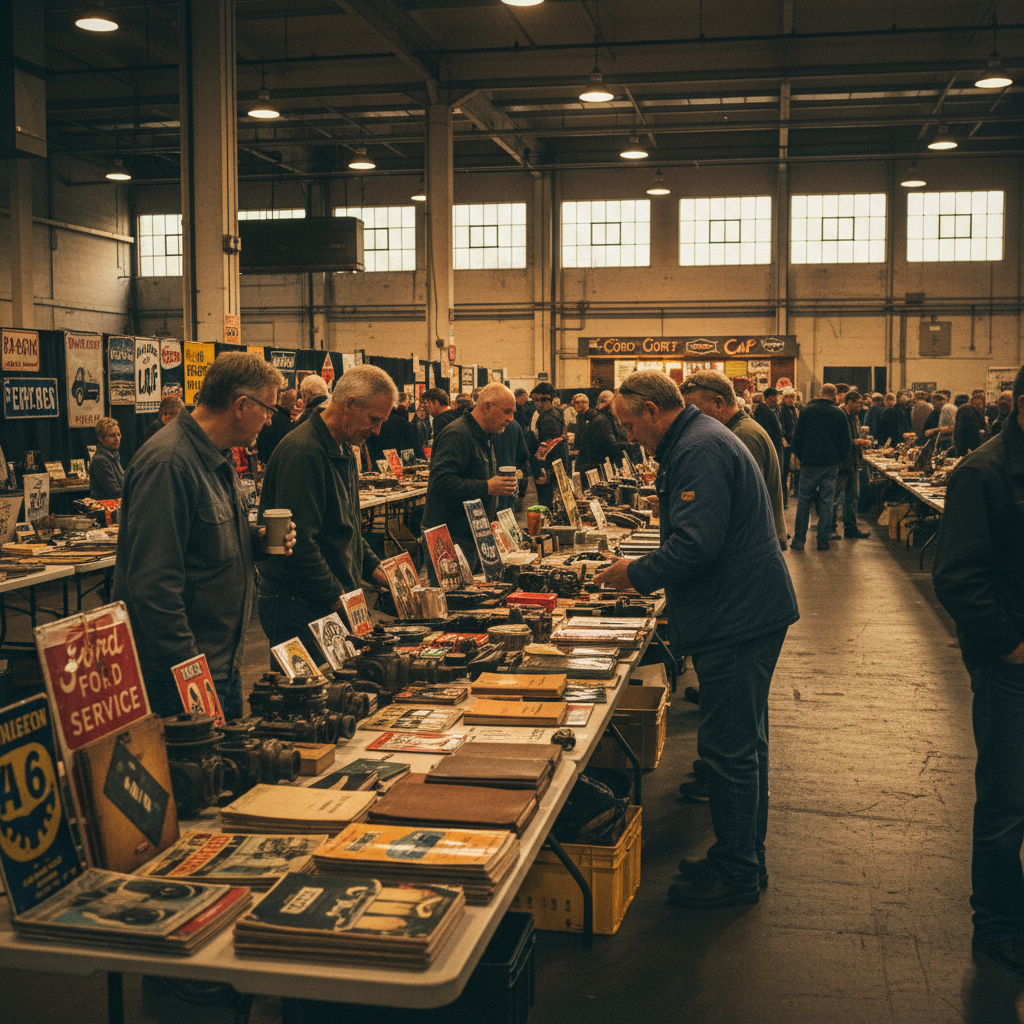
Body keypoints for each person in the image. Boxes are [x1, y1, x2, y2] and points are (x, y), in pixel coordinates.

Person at [593, 369, 798, 908]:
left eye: (628, 424)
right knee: (745, 746)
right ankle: (743, 856)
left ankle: (736, 873)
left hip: (738, 616)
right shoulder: (699, 439)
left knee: (730, 751)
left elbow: (696, 547)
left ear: (652, 412)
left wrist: (631, 574)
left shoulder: (698, 449)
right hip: (743, 609)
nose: (627, 436)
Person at [112, 352, 291, 718]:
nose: (270, 421)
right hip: (182, 679)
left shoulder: (217, 456)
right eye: (268, 410)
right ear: (241, 405)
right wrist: (190, 673)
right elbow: (153, 586)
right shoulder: (169, 464)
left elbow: (203, 544)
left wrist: (257, 543)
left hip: (221, 665)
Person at [932, 363, 1024, 976]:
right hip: (1010, 671)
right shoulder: (985, 472)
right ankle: (998, 923)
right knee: (1007, 802)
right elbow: (958, 575)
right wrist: (1012, 648)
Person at [257, 365, 395, 650]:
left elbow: (349, 526)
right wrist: (338, 597)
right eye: (373, 419)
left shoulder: (342, 447)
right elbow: (300, 545)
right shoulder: (304, 453)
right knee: (307, 693)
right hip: (301, 604)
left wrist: (373, 568)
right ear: (350, 404)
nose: (377, 430)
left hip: (325, 598)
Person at [679, 370, 787, 550]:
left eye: (696, 412)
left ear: (718, 403)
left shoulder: (742, 436)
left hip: (755, 548)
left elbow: (744, 503)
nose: (692, 421)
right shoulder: (737, 432)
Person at [420, 383, 517, 573]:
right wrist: (486, 487)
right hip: (451, 538)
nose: (510, 419)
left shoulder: (485, 435)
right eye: (507, 412)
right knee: (453, 601)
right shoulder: (457, 434)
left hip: (473, 535)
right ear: (487, 406)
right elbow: (440, 482)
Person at [789, 383, 851, 551]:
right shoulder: (839, 413)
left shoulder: (807, 412)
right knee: (827, 503)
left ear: (820, 393)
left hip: (809, 464)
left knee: (803, 503)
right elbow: (846, 442)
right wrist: (837, 459)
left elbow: (796, 439)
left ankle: (799, 540)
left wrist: (804, 458)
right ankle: (822, 541)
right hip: (830, 465)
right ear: (835, 396)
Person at [831, 391, 872, 538]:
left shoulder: (855, 417)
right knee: (835, 498)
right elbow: (838, 440)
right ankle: (831, 529)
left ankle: (850, 528)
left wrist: (861, 442)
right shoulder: (839, 415)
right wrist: (858, 442)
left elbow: (856, 435)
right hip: (841, 464)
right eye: (858, 404)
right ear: (849, 402)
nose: (860, 407)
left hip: (854, 463)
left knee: (853, 496)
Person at [528, 382, 568, 511]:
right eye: (535, 400)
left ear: (550, 399)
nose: (538, 404)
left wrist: (542, 472)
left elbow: (550, 449)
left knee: (547, 507)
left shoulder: (549, 419)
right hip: (553, 471)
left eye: (542, 400)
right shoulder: (552, 414)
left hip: (548, 473)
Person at [577, 390, 629, 477]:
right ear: (609, 405)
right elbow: (610, 446)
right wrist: (632, 447)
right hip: (592, 471)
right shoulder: (601, 421)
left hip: (595, 468)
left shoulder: (605, 418)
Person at [255, 386, 297, 465]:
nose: (295, 404)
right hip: (273, 461)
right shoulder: (282, 420)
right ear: (286, 401)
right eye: (293, 401)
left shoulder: (276, 415)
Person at [90, 417, 124, 498]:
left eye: (118, 434)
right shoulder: (100, 460)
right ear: (101, 438)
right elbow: (115, 492)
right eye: (112, 435)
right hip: (106, 508)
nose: (117, 439)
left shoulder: (114, 456)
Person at [953, 390, 988, 456]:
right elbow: (971, 431)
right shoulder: (967, 410)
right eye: (978, 399)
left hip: (965, 447)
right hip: (970, 447)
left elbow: (958, 432)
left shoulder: (966, 409)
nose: (980, 402)